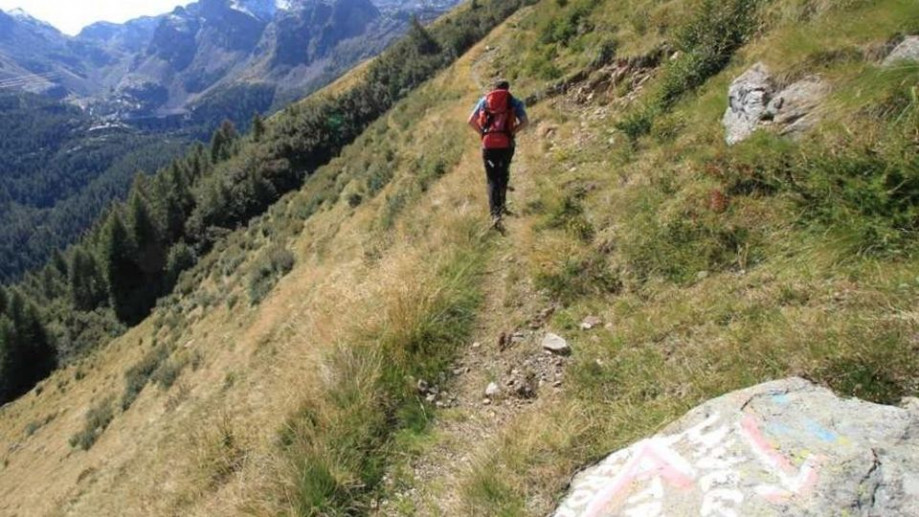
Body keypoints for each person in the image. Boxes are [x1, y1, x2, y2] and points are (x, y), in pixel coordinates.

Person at [467, 80, 528, 229]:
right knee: (503, 173)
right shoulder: (514, 101)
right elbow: (525, 122)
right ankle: (503, 206)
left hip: (488, 145)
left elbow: (470, 121)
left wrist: (483, 133)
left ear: (493, 89)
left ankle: (495, 215)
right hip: (506, 144)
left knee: (492, 179)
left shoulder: (484, 101)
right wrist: (511, 132)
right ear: (508, 89)